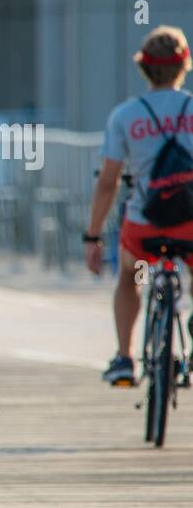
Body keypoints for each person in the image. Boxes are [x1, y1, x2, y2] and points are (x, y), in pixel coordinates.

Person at [86, 25, 193, 385]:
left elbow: (107, 183)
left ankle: (124, 358)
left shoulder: (125, 116)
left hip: (143, 224)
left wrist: (92, 237)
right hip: (190, 223)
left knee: (130, 276)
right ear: (184, 65)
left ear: (143, 68)